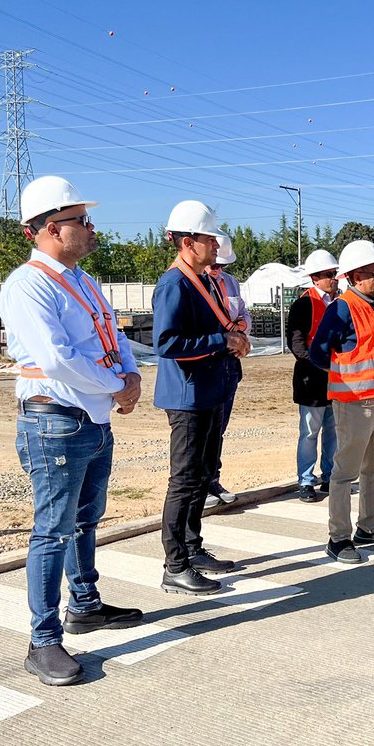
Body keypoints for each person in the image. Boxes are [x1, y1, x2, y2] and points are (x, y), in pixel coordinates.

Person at [0, 175, 143, 686]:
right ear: (48, 229)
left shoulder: (82, 280)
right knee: (53, 529)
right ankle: (43, 641)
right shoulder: (28, 285)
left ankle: (85, 604)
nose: (90, 227)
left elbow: (113, 333)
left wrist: (129, 377)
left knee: (86, 519)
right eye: (80, 220)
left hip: (92, 418)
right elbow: (58, 359)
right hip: (55, 422)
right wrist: (116, 386)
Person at [153, 201, 251, 596]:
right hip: (188, 396)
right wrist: (221, 341)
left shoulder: (203, 280)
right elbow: (167, 342)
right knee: (185, 480)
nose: (216, 245)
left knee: (201, 477)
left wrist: (231, 340)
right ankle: (175, 564)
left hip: (209, 390)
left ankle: (192, 549)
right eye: (210, 238)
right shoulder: (174, 284)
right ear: (189, 242)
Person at [307, 239, 374, 564]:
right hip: (354, 402)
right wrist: (346, 375)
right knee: (344, 473)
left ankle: (369, 524)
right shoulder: (342, 307)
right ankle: (338, 537)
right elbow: (318, 353)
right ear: (353, 276)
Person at [286, 249, 339, 503]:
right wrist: (320, 364)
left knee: (333, 431)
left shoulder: (338, 304)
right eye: (330, 274)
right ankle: (306, 481)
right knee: (309, 433)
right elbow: (296, 344)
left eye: (335, 273)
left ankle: (329, 476)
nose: (335, 278)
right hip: (312, 381)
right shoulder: (304, 304)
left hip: (334, 381)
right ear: (315, 278)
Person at [204, 234, 250, 506]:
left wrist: (240, 331)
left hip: (230, 363)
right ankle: (199, 485)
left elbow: (244, 314)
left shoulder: (231, 283)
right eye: (214, 264)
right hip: (209, 361)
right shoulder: (195, 285)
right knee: (204, 430)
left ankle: (213, 479)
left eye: (221, 265)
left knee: (219, 428)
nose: (216, 269)